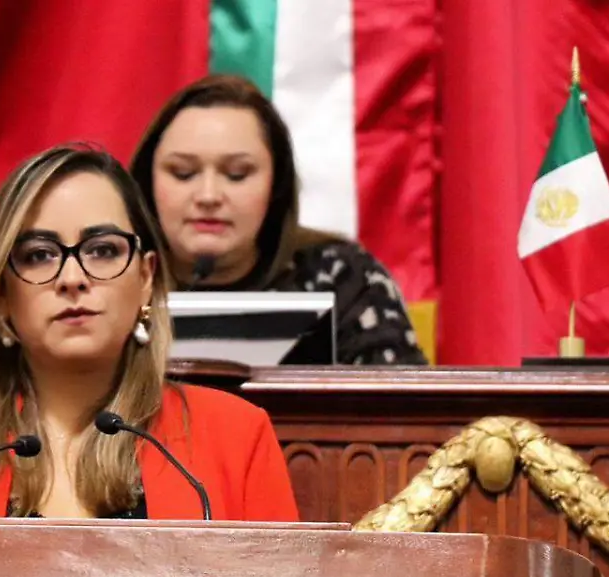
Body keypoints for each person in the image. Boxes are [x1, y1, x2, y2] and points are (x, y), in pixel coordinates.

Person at [0, 144, 299, 521]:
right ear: (1, 294)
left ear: (145, 279)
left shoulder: (238, 437)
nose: (72, 278)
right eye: (39, 255)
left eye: (101, 250)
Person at [129, 74, 428, 366]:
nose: (208, 195)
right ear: (148, 181)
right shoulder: (116, 274)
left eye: (237, 174)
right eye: (183, 173)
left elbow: (402, 410)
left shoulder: (341, 276)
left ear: (276, 185)